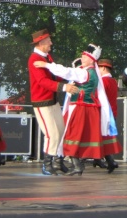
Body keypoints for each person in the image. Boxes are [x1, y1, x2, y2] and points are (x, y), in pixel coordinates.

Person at [34, 44, 116, 176]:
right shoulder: (92, 72)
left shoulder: (84, 73)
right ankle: (72, 164)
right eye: (82, 56)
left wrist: (47, 65)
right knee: (75, 136)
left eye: (85, 57)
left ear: (92, 60)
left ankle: (72, 165)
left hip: (80, 108)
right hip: (88, 108)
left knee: (71, 135)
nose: (82, 58)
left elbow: (67, 72)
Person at [28, 28, 78, 175]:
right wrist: (64, 87)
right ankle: (47, 164)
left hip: (52, 100)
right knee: (52, 134)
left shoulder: (46, 57)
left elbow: (55, 75)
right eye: (49, 40)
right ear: (41, 43)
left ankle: (58, 161)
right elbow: (43, 81)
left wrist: (71, 77)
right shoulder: (34, 59)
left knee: (61, 131)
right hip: (42, 102)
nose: (51, 43)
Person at [92, 58, 121, 173]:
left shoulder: (103, 82)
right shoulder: (113, 81)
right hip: (111, 112)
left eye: (98, 68)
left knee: (102, 137)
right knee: (102, 137)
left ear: (103, 68)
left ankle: (110, 161)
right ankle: (98, 159)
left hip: (104, 113)